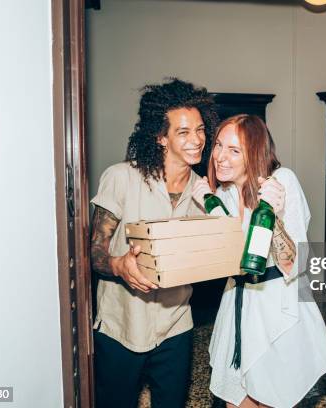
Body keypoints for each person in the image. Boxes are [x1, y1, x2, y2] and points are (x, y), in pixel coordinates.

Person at [192, 114, 326, 408]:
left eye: (234, 150)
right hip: (238, 302)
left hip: (276, 305)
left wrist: (276, 215)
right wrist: (210, 203)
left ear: (255, 152)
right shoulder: (223, 192)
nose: (220, 157)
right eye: (219, 145)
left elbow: (292, 264)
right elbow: (228, 255)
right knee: (235, 396)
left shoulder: (281, 181)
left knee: (272, 394)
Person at [89, 78, 219, 408]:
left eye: (201, 130)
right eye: (184, 132)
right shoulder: (121, 178)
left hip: (176, 325)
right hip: (122, 326)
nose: (197, 140)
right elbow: (94, 250)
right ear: (160, 137)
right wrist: (119, 265)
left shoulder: (205, 194)